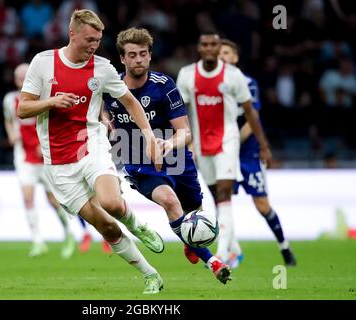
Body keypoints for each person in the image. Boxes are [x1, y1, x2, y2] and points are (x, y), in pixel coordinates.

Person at [18, 9, 164, 294]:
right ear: (71, 34)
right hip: (57, 163)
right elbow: (23, 108)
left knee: (111, 202)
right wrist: (51, 102)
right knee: (106, 227)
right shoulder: (43, 63)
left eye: (98, 40)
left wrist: (148, 135)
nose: (93, 46)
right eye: (88, 40)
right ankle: (150, 275)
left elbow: (132, 102)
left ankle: (137, 225)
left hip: (91, 145)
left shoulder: (103, 68)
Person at [102, 27, 232, 284]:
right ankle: (213, 262)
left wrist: (169, 144)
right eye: (132, 55)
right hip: (137, 159)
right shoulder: (110, 87)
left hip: (176, 158)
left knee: (195, 214)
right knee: (170, 201)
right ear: (123, 59)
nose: (138, 59)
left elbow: (185, 132)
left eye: (142, 54)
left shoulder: (164, 86)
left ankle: (190, 241)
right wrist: (105, 119)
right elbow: (97, 111)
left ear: (150, 56)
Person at [176, 31, 272, 266]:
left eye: (213, 45)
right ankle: (234, 247)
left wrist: (263, 144)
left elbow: (250, 111)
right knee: (215, 197)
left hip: (228, 141)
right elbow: (179, 112)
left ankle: (221, 252)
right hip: (200, 144)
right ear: (200, 48)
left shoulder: (233, 75)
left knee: (224, 194)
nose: (209, 48)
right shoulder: (187, 75)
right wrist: (183, 142)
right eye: (205, 44)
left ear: (219, 48)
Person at [218, 39, 296, 267]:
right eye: (219, 52)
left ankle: (285, 247)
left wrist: (233, 141)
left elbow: (252, 120)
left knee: (262, 205)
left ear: (235, 57)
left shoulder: (247, 83)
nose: (222, 56)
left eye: (226, 52)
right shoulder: (210, 86)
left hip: (248, 152)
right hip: (224, 153)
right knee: (223, 201)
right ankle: (231, 251)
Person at [3, 63, 76, 259]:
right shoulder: (10, 100)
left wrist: (44, 143)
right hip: (23, 157)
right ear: (16, 80)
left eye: (26, 77)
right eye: (19, 77)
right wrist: (11, 134)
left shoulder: (44, 98)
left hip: (45, 156)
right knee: (27, 197)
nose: (22, 80)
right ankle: (37, 241)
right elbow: (9, 120)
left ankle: (69, 233)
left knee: (53, 200)